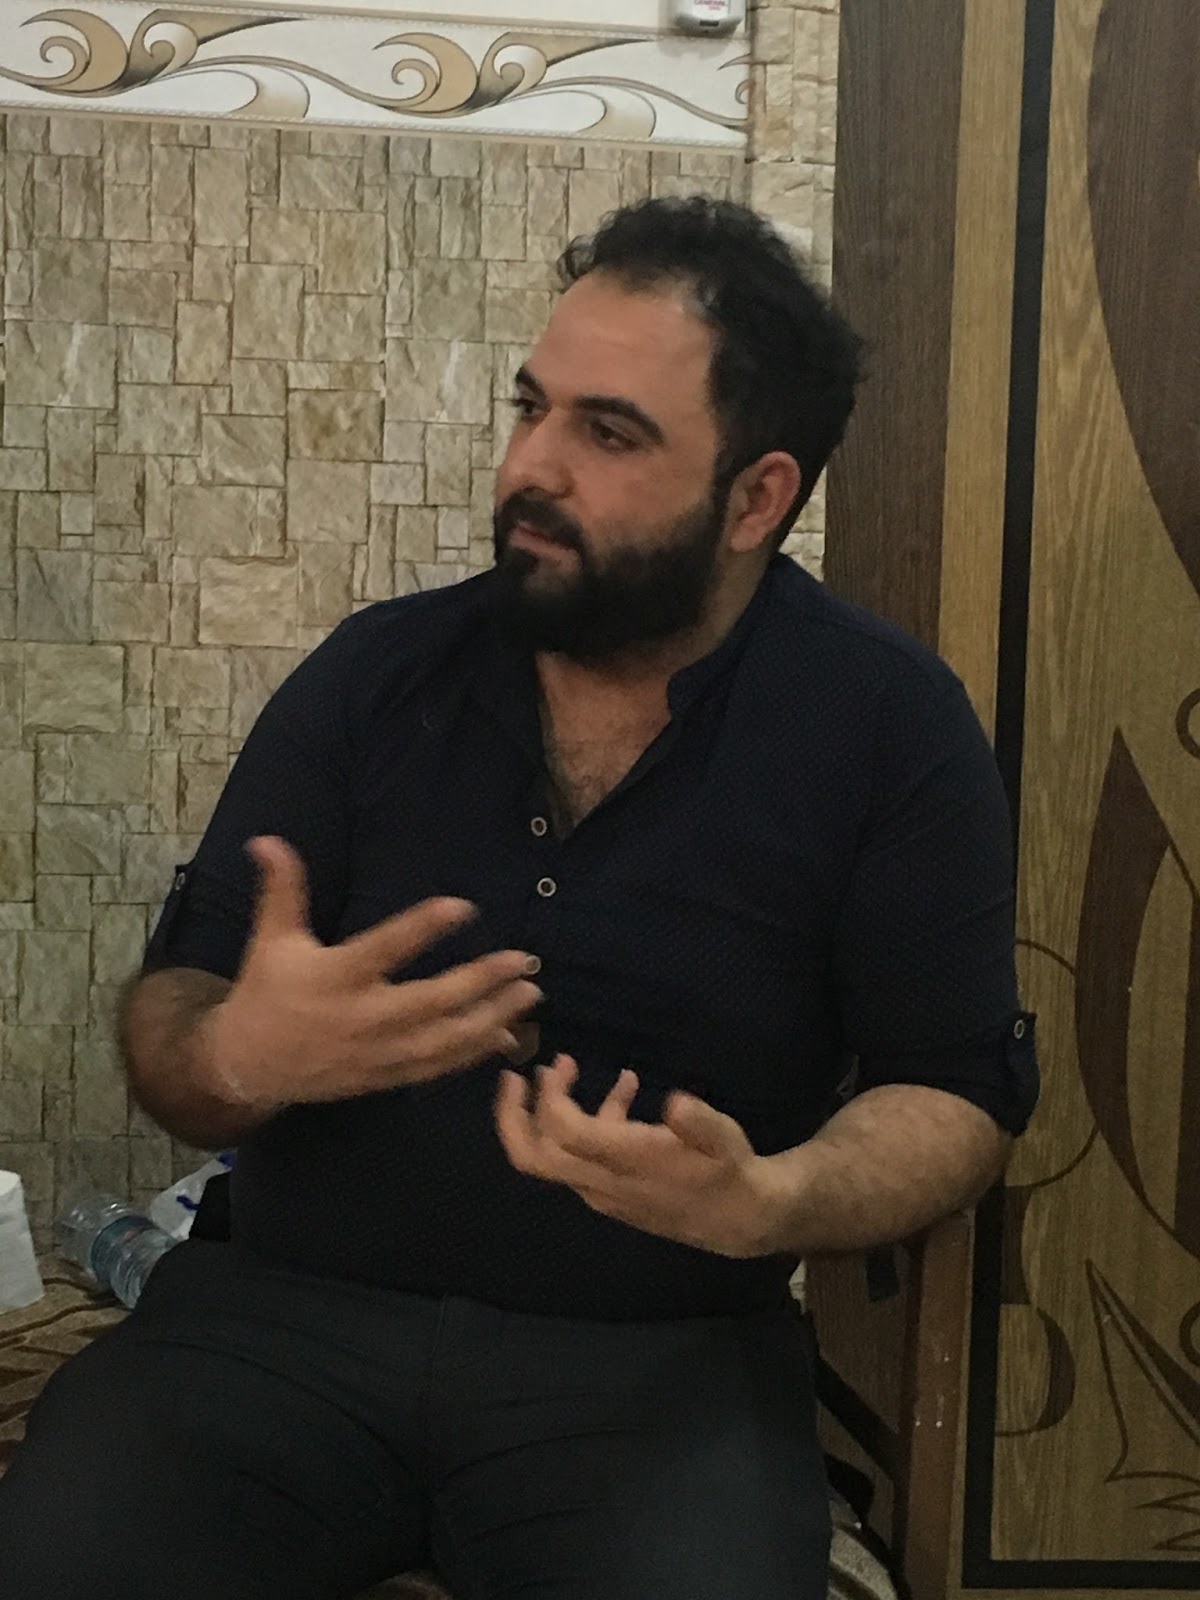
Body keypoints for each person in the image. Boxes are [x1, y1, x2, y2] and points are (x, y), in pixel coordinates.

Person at [0, 196, 1037, 1600]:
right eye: (530, 407)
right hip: (281, 1329)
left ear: (756, 500)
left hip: (658, 1362)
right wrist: (234, 1054)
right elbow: (176, 1017)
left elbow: (955, 1092)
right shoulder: (376, 676)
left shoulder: (888, 725)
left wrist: (774, 1198)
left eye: (608, 433)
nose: (529, 466)